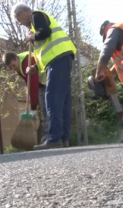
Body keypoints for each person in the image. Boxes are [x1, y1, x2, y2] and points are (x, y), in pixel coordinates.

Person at [11, 3, 77, 149]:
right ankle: (64, 138)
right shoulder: (36, 21)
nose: (20, 24)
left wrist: (33, 37)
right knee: (63, 99)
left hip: (58, 59)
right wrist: (36, 67)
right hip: (61, 58)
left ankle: (54, 139)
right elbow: (46, 50)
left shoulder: (36, 16)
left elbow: (45, 32)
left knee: (51, 98)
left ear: (21, 13)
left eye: (18, 20)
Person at [2, 51, 49, 143]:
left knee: (46, 110)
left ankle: (50, 137)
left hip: (48, 80)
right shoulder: (19, 67)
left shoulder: (28, 61)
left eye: (13, 65)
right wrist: (29, 97)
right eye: (10, 67)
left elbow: (34, 85)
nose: (13, 68)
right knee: (45, 111)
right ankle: (48, 137)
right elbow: (28, 83)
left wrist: (33, 108)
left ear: (16, 58)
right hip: (42, 84)